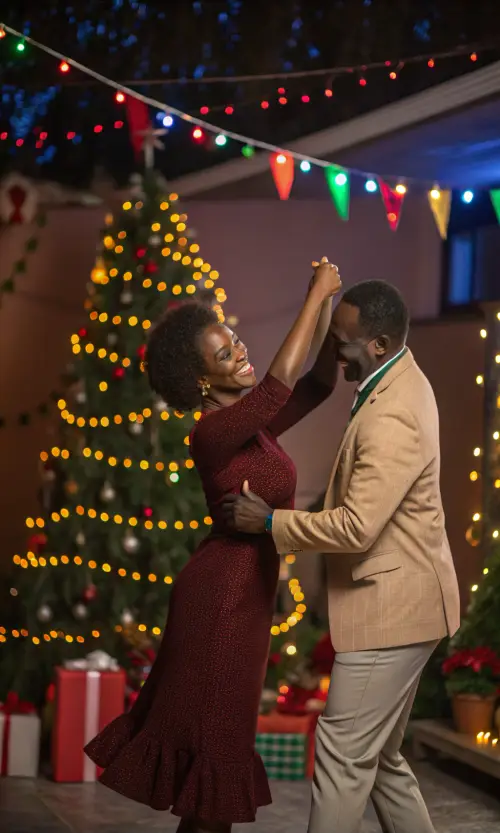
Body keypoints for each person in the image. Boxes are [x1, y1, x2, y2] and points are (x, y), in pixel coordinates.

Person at [84, 258, 342, 833]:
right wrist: (314, 296)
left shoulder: (254, 426)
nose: (241, 354)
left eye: (236, 342)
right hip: (221, 603)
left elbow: (318, 384)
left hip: (244, 602)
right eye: (225, 355)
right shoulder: (211, 431)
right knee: (213, 765)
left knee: (213, 778)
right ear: (202, 381)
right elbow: (277, 384)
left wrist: (326, 304)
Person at [222, 279, 461, 833]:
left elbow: (357, 526)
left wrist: (270, 522)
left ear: (378, 345)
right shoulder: (396, 372)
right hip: (408, 602)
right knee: (380, 761)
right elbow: (318, 381)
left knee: (341, 754)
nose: (334, 351)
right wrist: (321, 301)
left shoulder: (392, 414)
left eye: (342, 343)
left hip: (392, 612)